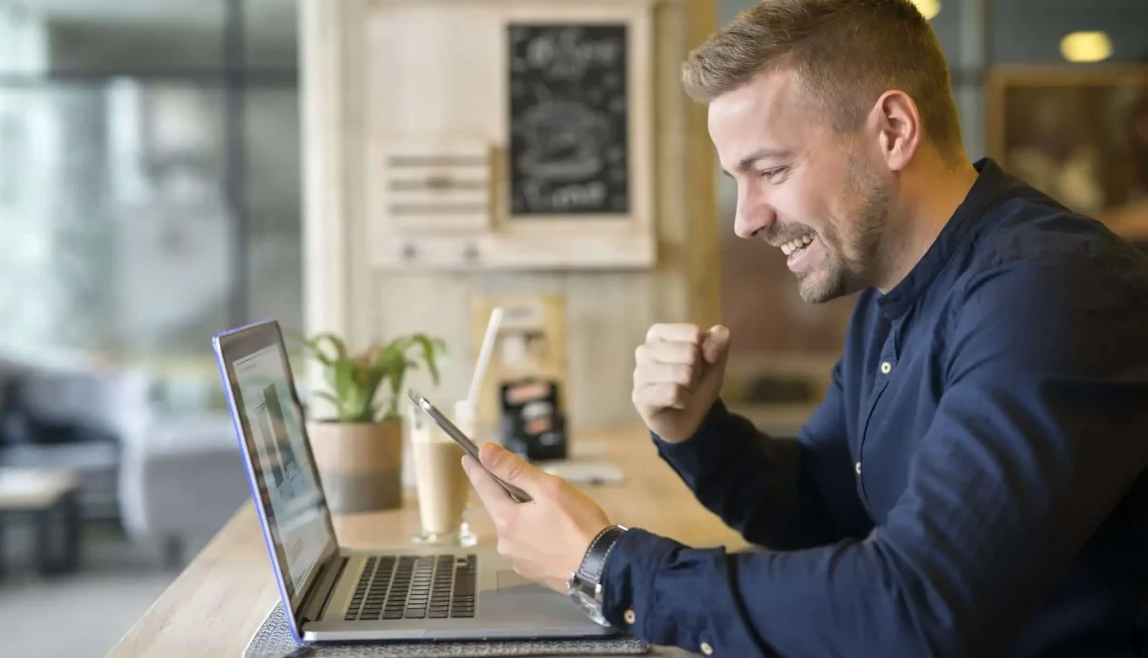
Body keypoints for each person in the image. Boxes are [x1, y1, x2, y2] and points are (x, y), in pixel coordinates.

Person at [460, 1, 1148, 656]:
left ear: (894, 131)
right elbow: (823, 504)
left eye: (771, 170)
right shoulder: (891, 291)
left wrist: (610, 568)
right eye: (738, 180)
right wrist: (696, 432)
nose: (746, 219)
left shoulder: (1050, 294)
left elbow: (912, 610)